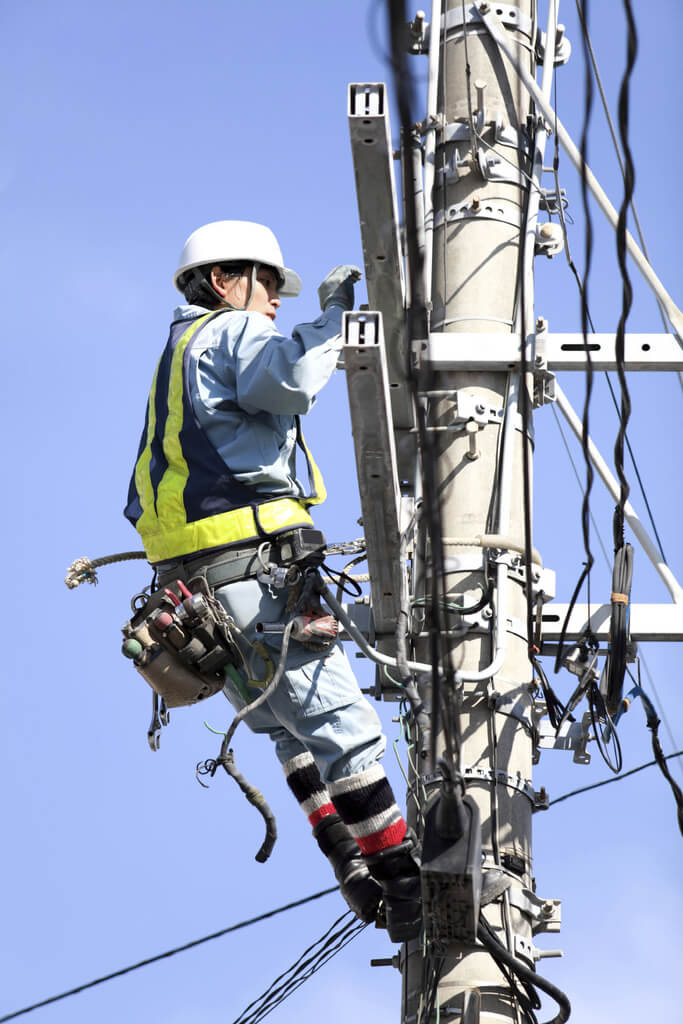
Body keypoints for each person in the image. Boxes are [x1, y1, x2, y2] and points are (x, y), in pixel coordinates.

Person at [124, 220, 420, 940]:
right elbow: (283, 380)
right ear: (225, 281)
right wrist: (334, 322)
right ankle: (404, 881)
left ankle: (350, 863)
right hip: (250, 578)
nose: (274, 303)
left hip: (196, 596)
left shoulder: (178, 350)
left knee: (290, 730)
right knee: (339, 725)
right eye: (267, 286)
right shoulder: (226, 332)